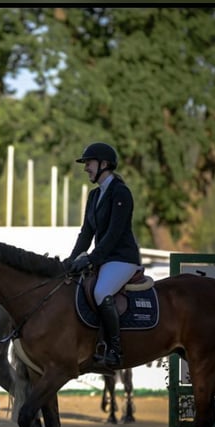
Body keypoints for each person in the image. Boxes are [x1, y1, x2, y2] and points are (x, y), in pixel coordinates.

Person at [65, 142, 141, 369]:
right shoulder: (94, 195)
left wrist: (92, 259)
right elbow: (86, 233)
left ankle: (115, 350)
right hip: (105, 259)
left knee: (101, 291)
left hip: (122, 259)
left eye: (89, 163)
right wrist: (71, 260)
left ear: (104, 164)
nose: (86, 167)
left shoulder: (121, 192)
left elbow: (114, 234)